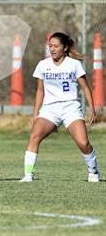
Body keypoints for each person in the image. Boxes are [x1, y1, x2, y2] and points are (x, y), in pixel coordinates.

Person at [20, 32, 100, 182]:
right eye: (50, 46)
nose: (52, 49)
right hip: (50, 109)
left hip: (70, 107)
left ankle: (93, 171)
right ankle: (28, 175)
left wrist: (92, 109)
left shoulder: (74, 64)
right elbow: (40, 90)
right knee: (34, 137)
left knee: (83, 143)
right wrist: (35, 113)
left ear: (65, 47)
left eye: (56, 46)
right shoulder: (43, 65)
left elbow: (86, 88)